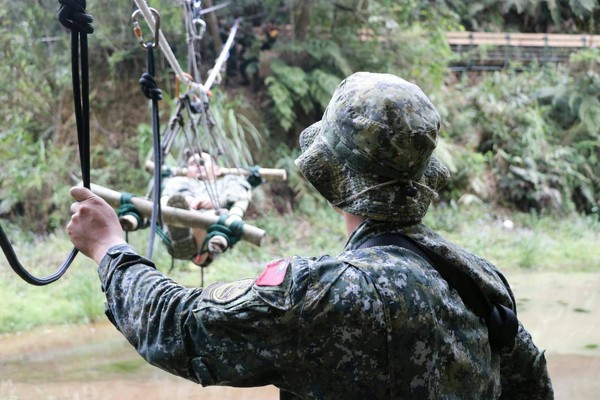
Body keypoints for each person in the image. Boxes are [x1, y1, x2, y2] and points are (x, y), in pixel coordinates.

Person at [67, 72, 553, 399]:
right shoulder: (480, 278)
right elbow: (533, 385)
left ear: (333, 179)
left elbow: (179, 327)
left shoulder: (324, 294)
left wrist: (110, 248)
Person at [160, 151, 253, 266]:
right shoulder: (180, 181)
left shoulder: (227, 182)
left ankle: (199, 241)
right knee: (174, 196)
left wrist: (216, 202)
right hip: (183, 215)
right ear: (187, 170)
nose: (198, 165)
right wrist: (188, 199)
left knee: (215, 215)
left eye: (203, 162)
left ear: (217, 169)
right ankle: (187, 236)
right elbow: (171, 194)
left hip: (215, 221)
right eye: (193, 163)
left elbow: (237, 194)